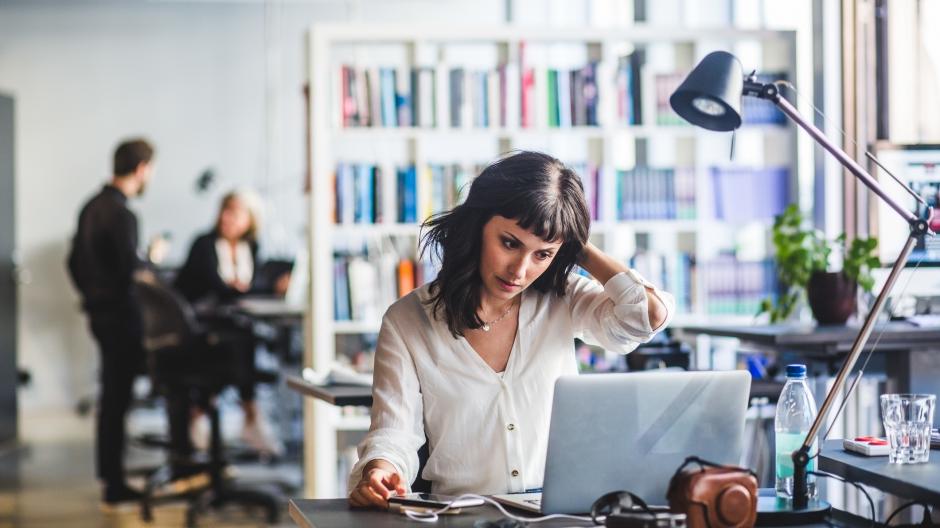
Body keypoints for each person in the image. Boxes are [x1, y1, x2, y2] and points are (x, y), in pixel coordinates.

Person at [347, 151, 675, 507]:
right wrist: (379, 470)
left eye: (542, 255)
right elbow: (393, 432)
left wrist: (575, 245)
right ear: (477, 227)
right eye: (510, 243)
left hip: (558, 512)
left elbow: (646, 316)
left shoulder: (562, 297)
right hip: (462, 514)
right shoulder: (407, 321)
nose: (520, 270)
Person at [67, 138, 155, 506]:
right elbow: (130, 271)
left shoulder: (91, 206)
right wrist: (151, 259)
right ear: (141, 169)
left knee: (111, 399)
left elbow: (72, 262)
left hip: (99, 314)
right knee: (117, 399)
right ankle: (115, 486)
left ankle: (111, 478)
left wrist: (90, 294)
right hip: (121, 318)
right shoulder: (122, 214)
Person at [173, 190, 284, 457]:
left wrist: (272, 284)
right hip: (196, 328)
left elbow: (251, 285)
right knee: (239, 342)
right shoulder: (204, 244)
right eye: (224, 210)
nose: (226, 217)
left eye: (234, 211)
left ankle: (214, 414)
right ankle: (245, 415)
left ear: (250, 219)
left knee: (242, 337)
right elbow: (218, 288)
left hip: (228, 326)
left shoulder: (252, 247)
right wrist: (254, 287)